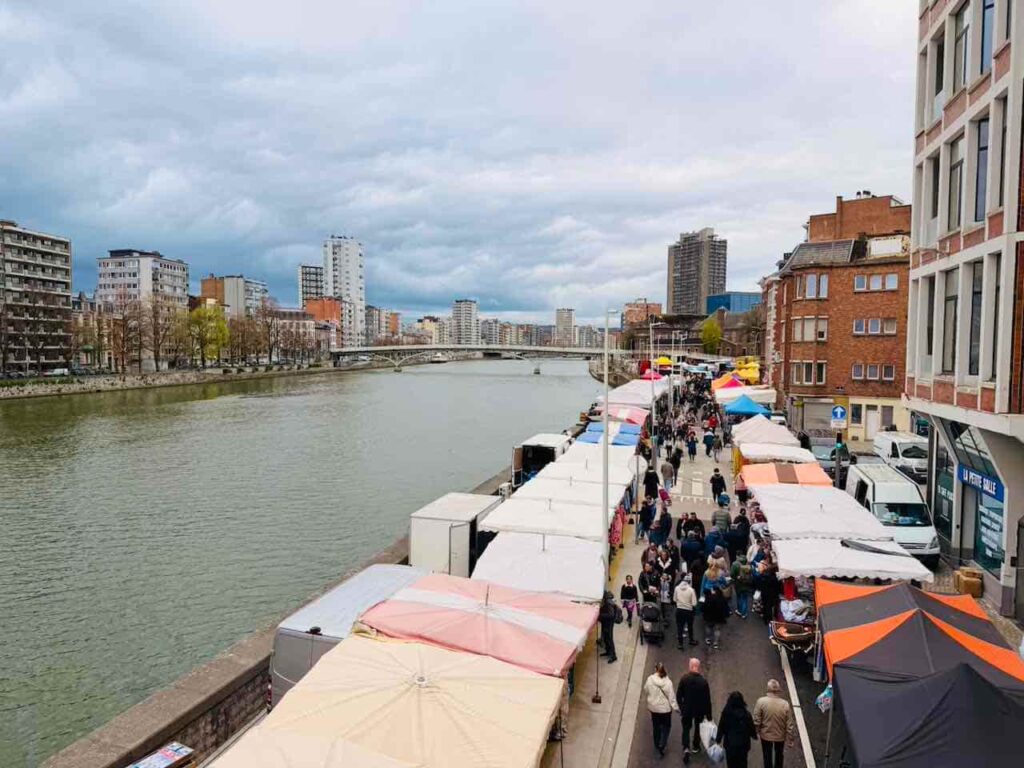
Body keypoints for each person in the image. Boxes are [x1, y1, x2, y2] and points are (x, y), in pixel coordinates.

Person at [676, 657, 712, 762]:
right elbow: (707, 700)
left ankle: (686, 747)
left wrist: (682, 707)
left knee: (686, 728)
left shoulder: (684, 679)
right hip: (699, 710)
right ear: (698, 667)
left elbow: (679, 695)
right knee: (698, 728)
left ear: (691, 666)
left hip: (687, 709)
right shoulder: (703, 682)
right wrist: (709, 716)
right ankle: (696, 746)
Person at [753, 679, 795, 768]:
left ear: (768, 689)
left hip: (765, 735)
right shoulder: (785, 704)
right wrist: (790, 738)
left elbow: (757, 720)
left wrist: (755, 732)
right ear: (778, 690)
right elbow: (789, 724)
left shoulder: (761, 702)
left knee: (767, 756)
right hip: (780, 736)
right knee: (779, 755)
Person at [715, 691, 757, 768]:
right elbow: (751, 727)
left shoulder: (726, 714)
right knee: (743, 763)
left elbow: (721, 727)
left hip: (730, 745)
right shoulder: (746, 714)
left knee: (731, 764)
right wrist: (754, 735)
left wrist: (718, 739)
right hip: (743, 745)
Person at [644, 662, 679, 757]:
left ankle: (656, 743)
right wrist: (676, 708)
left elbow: (646, 690)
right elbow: (671, 698)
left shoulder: (650, 680)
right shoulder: (668, 683)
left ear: (655, 669)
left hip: (654, 708)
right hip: (665, 710)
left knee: (656, 726)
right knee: (666, 727)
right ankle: (662, 744)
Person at [673, 573, 698, 647]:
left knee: (680, 627)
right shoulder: (691, 590)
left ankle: (680, 644)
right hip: (688, 611)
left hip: (679, 610)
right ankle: (691, 640)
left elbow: (674, 599)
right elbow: (694, 603)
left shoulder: (677, 588)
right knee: (690, 626)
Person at [702, 585, 729, 650]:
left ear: (713, 590)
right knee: (717, 630)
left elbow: (704, 607)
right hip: (719, 617)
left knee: (708, 627)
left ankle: (708, 639)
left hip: (710, 617)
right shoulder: (723, 598)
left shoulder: (709, 598)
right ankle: (715, 643)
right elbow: (726, 608)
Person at [731, 553, 754, 618]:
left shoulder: (735, 564)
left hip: (738, 584)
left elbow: (732, 574)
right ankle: (744, 614)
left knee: (739, 597)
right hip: (747, 584)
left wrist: (735, 577)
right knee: (745, 598)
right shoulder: (749, 566)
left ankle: (739, 611)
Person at [598, 591, 618, 663]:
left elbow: (611, 615)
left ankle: (613, 656)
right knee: (606, 638)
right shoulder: (607, 601)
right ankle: (608, 651)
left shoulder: (609, 603)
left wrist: (600, 615)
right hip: (605, 623)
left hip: (608, 624)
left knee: (609, 639)